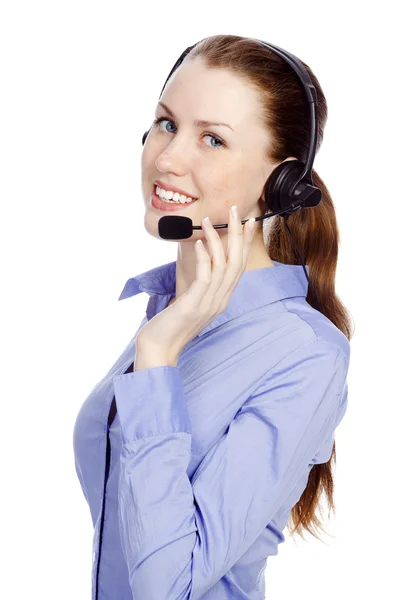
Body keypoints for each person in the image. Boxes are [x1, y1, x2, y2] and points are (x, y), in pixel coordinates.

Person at [73, 34, 354, 599]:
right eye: (166, 123)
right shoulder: (169, 309)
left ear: (281, 184)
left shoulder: (305, 352)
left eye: (213, 140)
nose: (168, 158)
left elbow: (167, 588)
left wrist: (157, 359)